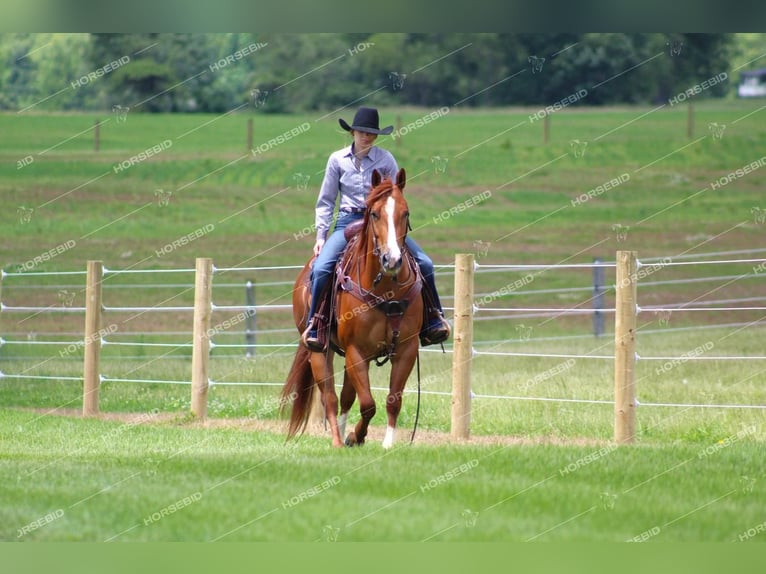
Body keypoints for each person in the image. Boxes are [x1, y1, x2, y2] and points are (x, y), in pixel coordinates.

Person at [301, 106, 450, 351]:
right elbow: (326, 201)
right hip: (348, 222)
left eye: (371, 133)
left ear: (376, 136)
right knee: (321, 267)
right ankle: (316, 324)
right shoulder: (337, 160)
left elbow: (396, 197)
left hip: (382, 223)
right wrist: (320, 236)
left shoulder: (386, 160)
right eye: (361, 131)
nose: (366, 136)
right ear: (353, 132)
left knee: (425, 263)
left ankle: (433, 319)